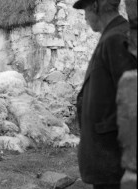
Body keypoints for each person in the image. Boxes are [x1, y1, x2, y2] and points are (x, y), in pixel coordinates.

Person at [74, 0, 137, 189]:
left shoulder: (116, 39)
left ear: (95, 6)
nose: (84, 17)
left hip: (114, 163)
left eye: (85, 9)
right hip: (108, 161)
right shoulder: (111, 36)